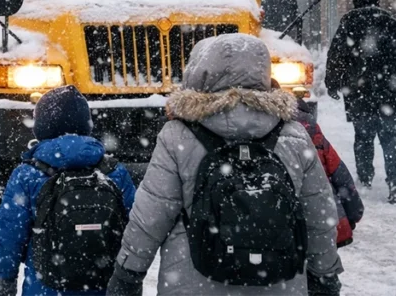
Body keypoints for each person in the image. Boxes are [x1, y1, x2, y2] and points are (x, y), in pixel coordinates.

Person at [107, 34, 343, 296]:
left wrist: (128, 274)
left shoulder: (177, 136)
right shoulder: (294, 135)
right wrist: (325, 275)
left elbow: (151, 215)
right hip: (278, 281)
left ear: (198, 73)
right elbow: (319, 217)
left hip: (193, 282)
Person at [0, 85, 136, 296]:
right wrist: (131, 279)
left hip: (44, 288)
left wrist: (4, 280)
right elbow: (136, 232)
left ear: (42, 128)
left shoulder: (28, 174)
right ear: (86, 125)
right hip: (104, 287)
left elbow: (10, 233)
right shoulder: (115, 172)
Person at [325, 0, 396, 205]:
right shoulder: (395, 25)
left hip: (359, 93)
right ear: (377, 2)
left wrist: (332, 83)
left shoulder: (348, 26)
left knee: (363, 137)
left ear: (355, 3)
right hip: (393, 92)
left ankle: (365, 178)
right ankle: (395, 182)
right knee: (392, 139)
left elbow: (336, 57)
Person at [295, 100, 364, 247]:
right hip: (324, 215)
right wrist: (354, 213)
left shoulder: (268, 133)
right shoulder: (315, 136)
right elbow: (341, 176)